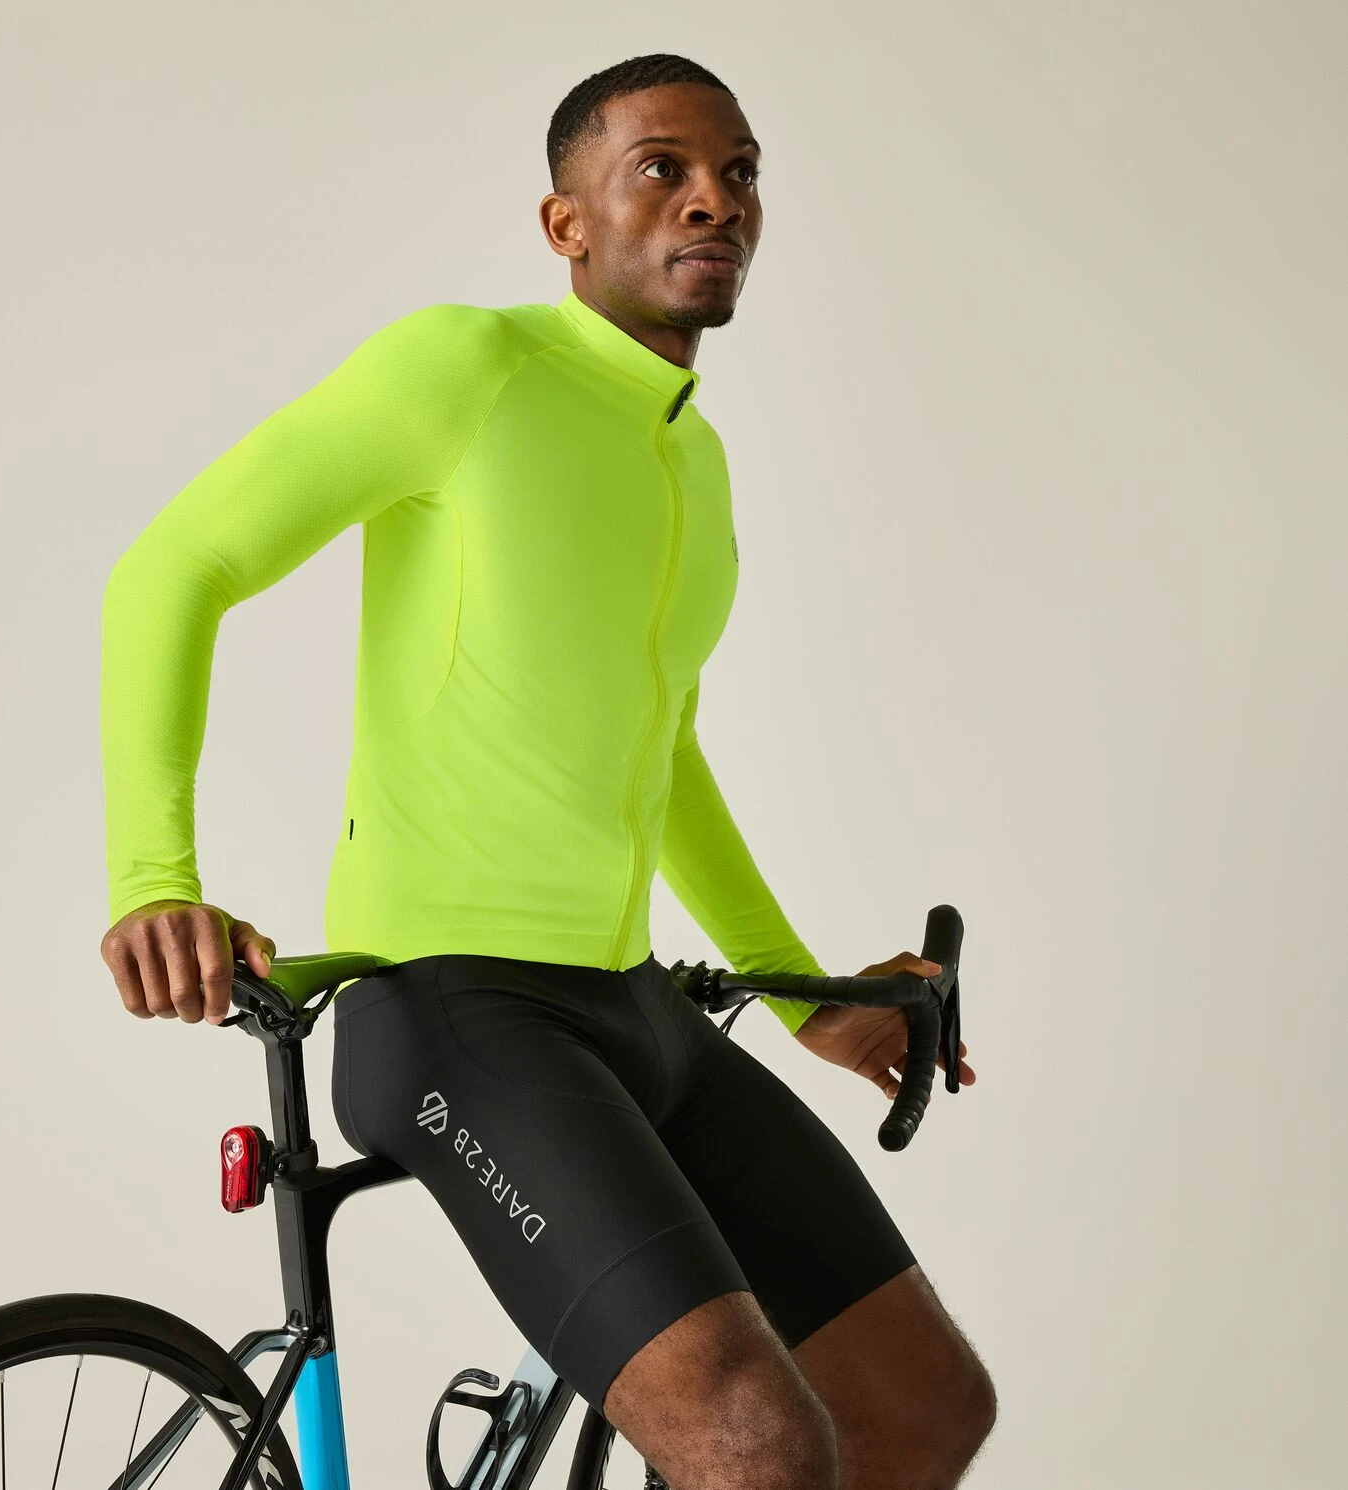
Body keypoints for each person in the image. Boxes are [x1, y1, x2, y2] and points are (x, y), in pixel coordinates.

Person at [99, 52, 993, 1490]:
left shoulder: (695, 467)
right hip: (455, 1007)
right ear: (564, 224)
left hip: (635, 1008)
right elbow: (174, 567)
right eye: (663, 170)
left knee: (924, 1403)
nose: (713, 201)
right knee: (757, 1441)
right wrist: (156, 880)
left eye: (740, 174)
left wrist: (799, 995)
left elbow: (662, 749)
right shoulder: (467, 369)